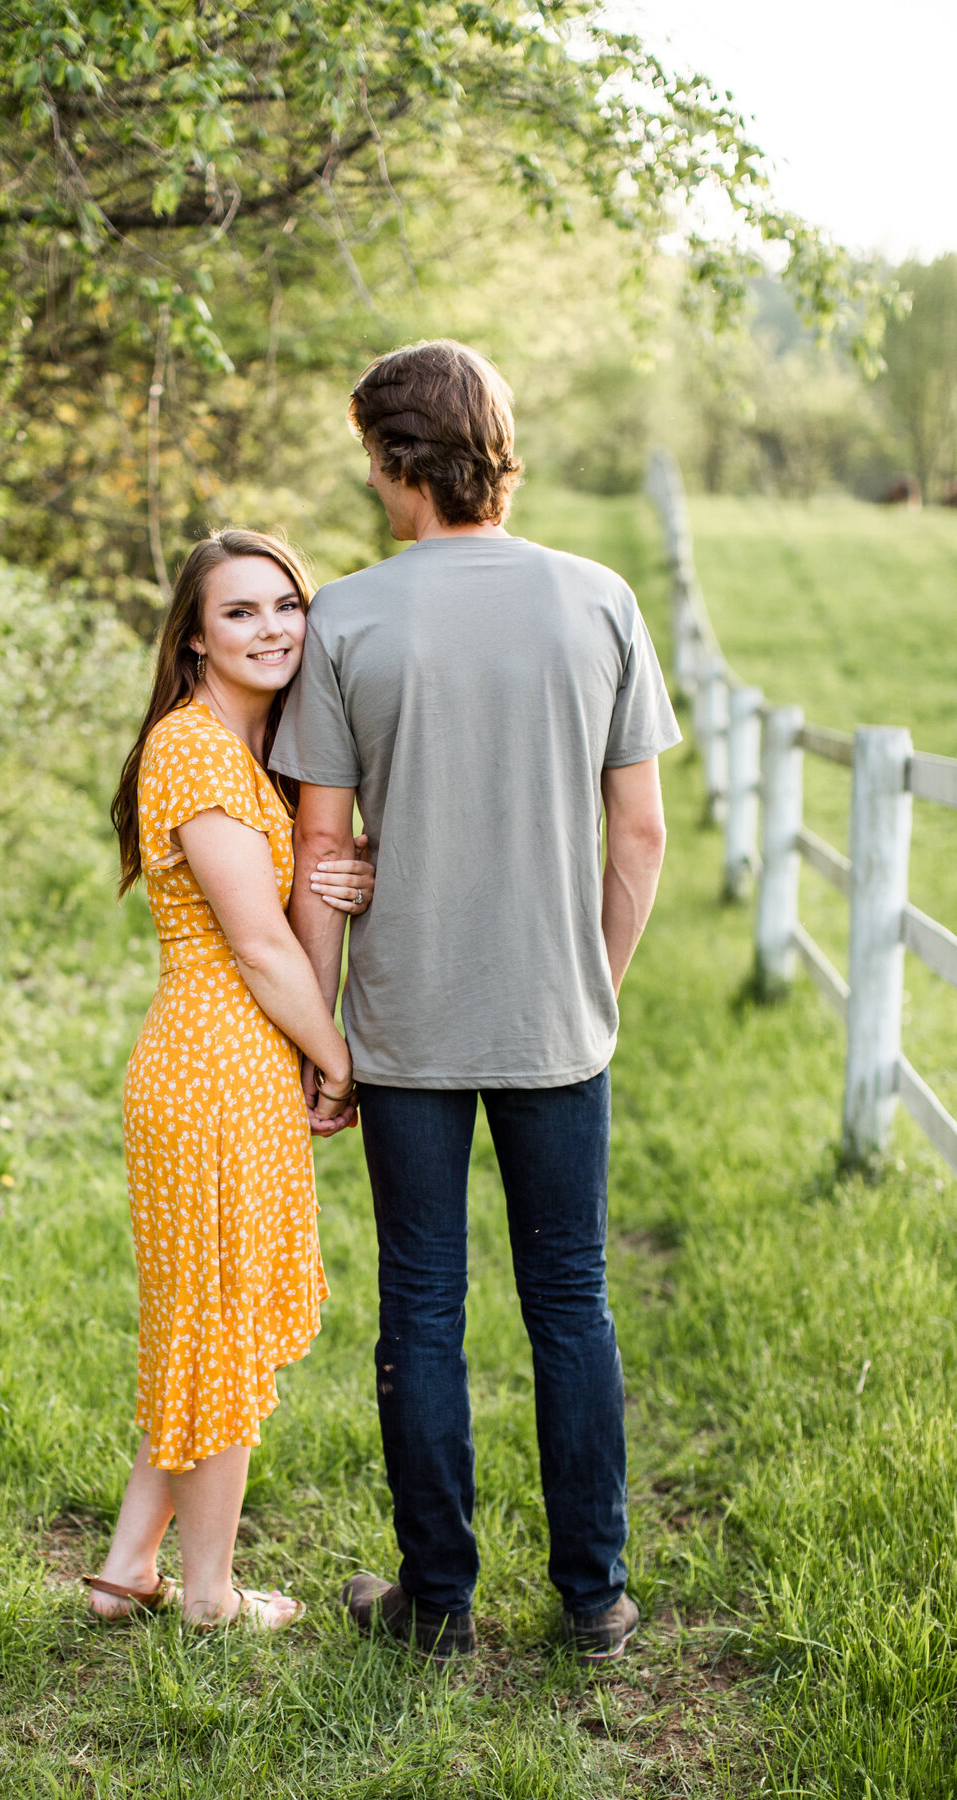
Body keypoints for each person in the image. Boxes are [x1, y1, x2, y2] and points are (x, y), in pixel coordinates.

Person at [270, 340, 681, 1663]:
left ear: (396, 464)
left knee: (425, 1301)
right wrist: (589, 986)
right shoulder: (601, 600)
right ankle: (596, 1598)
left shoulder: (347, 617)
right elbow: (641, 840)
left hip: (407, 1028)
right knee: (572, 1295)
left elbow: (320, 865)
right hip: (558, 1023)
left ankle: (435, 1604)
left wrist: (319, 1043)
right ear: (493, 452)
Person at [88, 530, 376, 1631]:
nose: (273, 629)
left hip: (233, 1069)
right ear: (196, 638)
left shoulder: (250, 759)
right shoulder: (196, 749)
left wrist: (345, 865)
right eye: (242, 612)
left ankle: (127, 1570)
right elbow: (258, 945)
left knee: (205, 1325)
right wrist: (342, 1065)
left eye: (287, 606)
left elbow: (287, 881)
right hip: (210, 1071)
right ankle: (207, 1595)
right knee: (217, 1332)